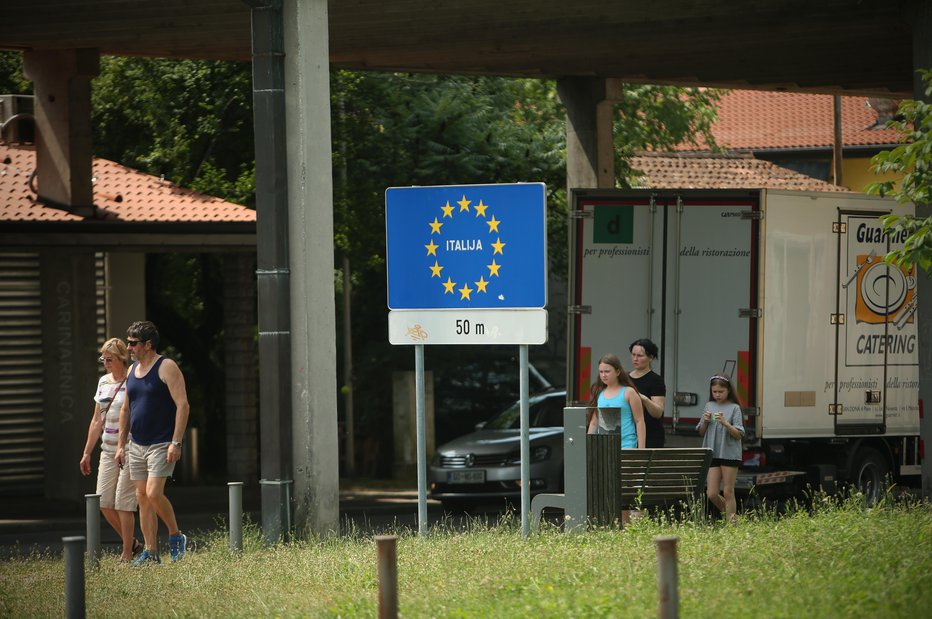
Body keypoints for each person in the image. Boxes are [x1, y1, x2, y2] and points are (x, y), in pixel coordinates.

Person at [115, 321, 190, 566]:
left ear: (148, 344)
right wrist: (120, 445)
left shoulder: (166, 366)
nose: (129, 347)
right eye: (128, 342)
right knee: (142, 498)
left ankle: (176, 536)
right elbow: (126, 409)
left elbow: (183, 405)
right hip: (136, 444)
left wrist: (176, 442)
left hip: (161, 442)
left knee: (153, 493)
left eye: (133, 343)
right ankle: (150, 552)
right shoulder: (131, 370)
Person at [79, 338, 141, 561]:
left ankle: (126, 553)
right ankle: (132, 543)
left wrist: (124, 446)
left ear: (121, 358)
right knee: (104, 502)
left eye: (109, 358)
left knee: (124, 503)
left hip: (130, 448)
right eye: (103, 358)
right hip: (107, 449)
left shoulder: (133, 379)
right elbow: (97, 420)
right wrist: (87, 452)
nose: (105, 362)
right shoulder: (103, 382)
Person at [697, 375, 745, 523]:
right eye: (714, 391)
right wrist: (705, 421)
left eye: (721, 391)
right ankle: (734, 518)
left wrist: (725, 423)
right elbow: (701, 431)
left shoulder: (735, 408)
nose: (717, 395)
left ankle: (731, 525)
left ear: (728, 390)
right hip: (712, 452)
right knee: (711, 493)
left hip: (729, 453)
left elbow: (739, 434)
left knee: (728, 491)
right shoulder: (709, 406)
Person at [587, 353, 645, 449]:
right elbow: (594, 422)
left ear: (618, 372)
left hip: (627, 446)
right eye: (601, 372)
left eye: (607, 371)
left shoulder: (629, 392)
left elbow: (639, 421)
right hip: (604, 448)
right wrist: (588, 446)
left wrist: (642, 449)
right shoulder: (599, 393)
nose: (603, 375)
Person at [628, 338, 667, 448]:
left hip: (651, 436)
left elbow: (658, 412)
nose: (635, 359)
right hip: (628, 434)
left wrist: (643, 399)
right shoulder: (625, 378)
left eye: (640, 356)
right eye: (633, 354)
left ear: (651, 357)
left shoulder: (656, 380)